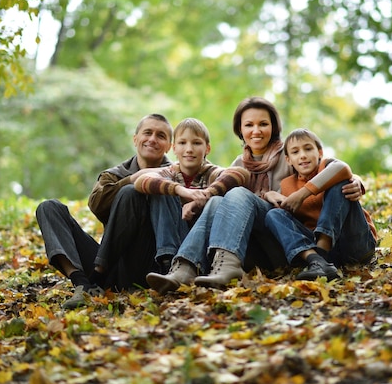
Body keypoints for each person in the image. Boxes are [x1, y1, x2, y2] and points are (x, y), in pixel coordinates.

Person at [146, 96, 365, 294]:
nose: (256, 131)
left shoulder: (290, 154)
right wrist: (196, 201)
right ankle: (186, 266)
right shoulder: (237, 165)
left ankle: (228, 265)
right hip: (258, 242)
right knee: (216, 201)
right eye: (249, 125)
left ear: (273, 127)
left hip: (287, 236)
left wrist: (356, 180)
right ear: (240, 130)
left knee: (240, 194)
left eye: (263, 124)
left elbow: (330, 170)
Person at [35, 113, 174, 309]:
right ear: (135, 139)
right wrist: (133, 178)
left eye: (161, 136)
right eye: (147, 133)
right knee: (48, 208)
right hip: (109, 263)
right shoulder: (114, 174)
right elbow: (97, 206)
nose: (152, 139)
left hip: (146, 266)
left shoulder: (178, 177)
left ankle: (96, 278)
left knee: (130, 193)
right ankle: (82, 284)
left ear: (169, 145)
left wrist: (145, 184)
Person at [134, 118, 249, 292]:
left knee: (217, 201)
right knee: (161, 190)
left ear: (207, 149)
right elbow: (141, 181)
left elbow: (240, 173)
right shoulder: (170, 172)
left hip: (203, 248)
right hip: (175, 242)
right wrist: (181, 190)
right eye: (182, 143)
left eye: (196, 143)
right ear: (174, 148)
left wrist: (204, 196)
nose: (189, 149)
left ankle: (185, 268)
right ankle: (168, 262)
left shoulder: (211, 173)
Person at [264, 128, 377, 280]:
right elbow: (281, 215)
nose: (303, 155)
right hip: (323, 253)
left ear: (320, 152)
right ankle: (316, 260)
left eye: (308, 149)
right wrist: (267, 194)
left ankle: (322, 253)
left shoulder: (328, 166)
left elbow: (342, 168)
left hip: (355, 245)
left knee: (339, 182)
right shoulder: (286, 185)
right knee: (273, 214)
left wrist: (302, 194)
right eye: (295, 152)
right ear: (288, 160)